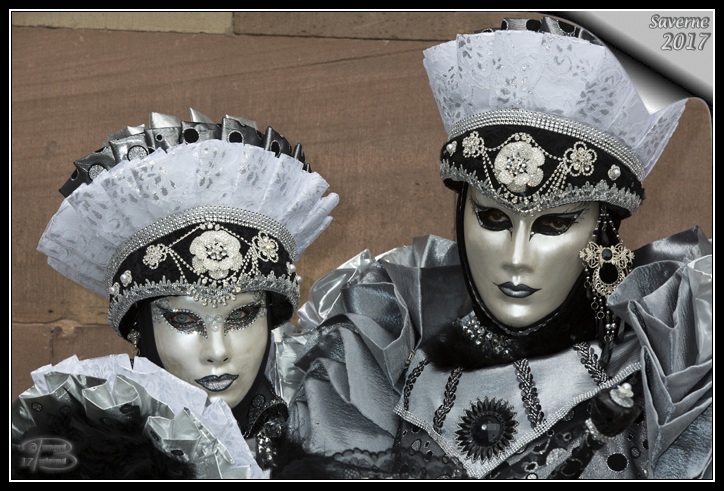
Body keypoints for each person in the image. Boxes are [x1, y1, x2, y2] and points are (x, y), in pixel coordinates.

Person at [277, 18, 712, 479]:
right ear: (463, 214)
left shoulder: (667, 370)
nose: (516, 258)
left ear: (600, 234)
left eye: (554, 224)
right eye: (493, 218)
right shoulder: (382, 344)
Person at [11, 109, 339, 479]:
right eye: (185, 320)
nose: (217, 351)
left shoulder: (325, 434)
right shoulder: (70, 455)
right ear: (140, 329)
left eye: (241, 316)